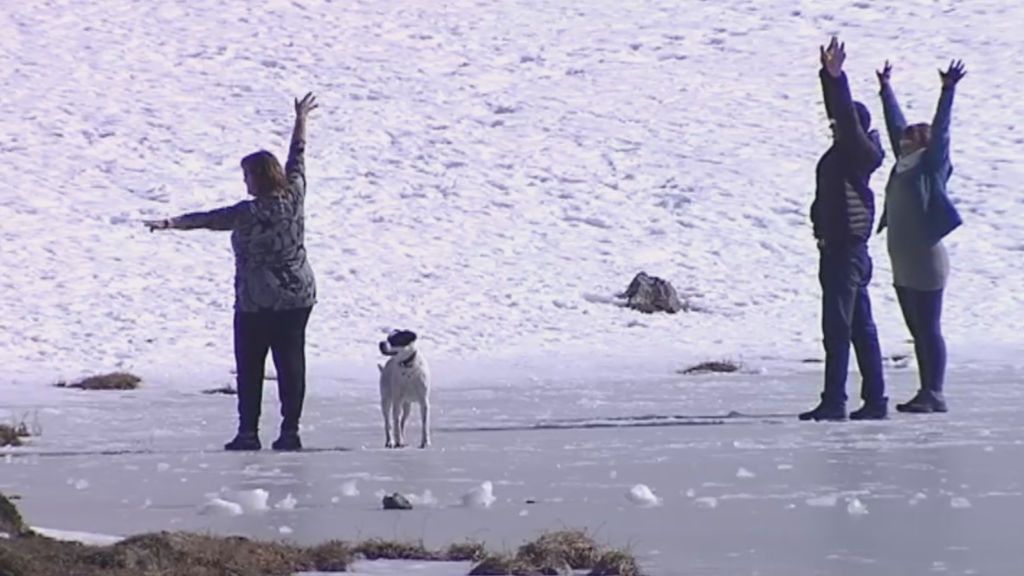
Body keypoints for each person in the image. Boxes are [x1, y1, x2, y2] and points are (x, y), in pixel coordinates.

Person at [144, 93, 319, 451]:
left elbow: (208, 219)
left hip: (256, 303)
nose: (245, 184)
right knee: (291, 363)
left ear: (258, 178)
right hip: (297, 297)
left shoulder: (247, 213)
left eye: (247, 177)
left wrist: (170, 223)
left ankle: (248, 432)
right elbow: (297, 155)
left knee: (251, 365)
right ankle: (289, 432)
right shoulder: (295, 193)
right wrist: (301, 118)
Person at [801, 37, 888, 421]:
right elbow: (840, 118)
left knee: (838, 329)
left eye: (840, 122)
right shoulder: (846, 153)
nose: (833, 124)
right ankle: (875, 401)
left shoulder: (858, 152)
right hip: (842, 253)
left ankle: (835, 402)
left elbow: (845, 118)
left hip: (845, 255)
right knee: (860, 330)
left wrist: (834, 78)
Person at [875, 59, 966, 413]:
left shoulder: (931, 166)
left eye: (909, 136)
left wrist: (947, 91)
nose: (903, 137)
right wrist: (886, 89)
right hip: (901, 259)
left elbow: (942, 131)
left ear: (922, 143)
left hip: (926, 260)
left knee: (929, 328)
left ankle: (936, 392)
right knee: (917, 330)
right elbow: (894, 122)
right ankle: (925, 390)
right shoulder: (903, 162)